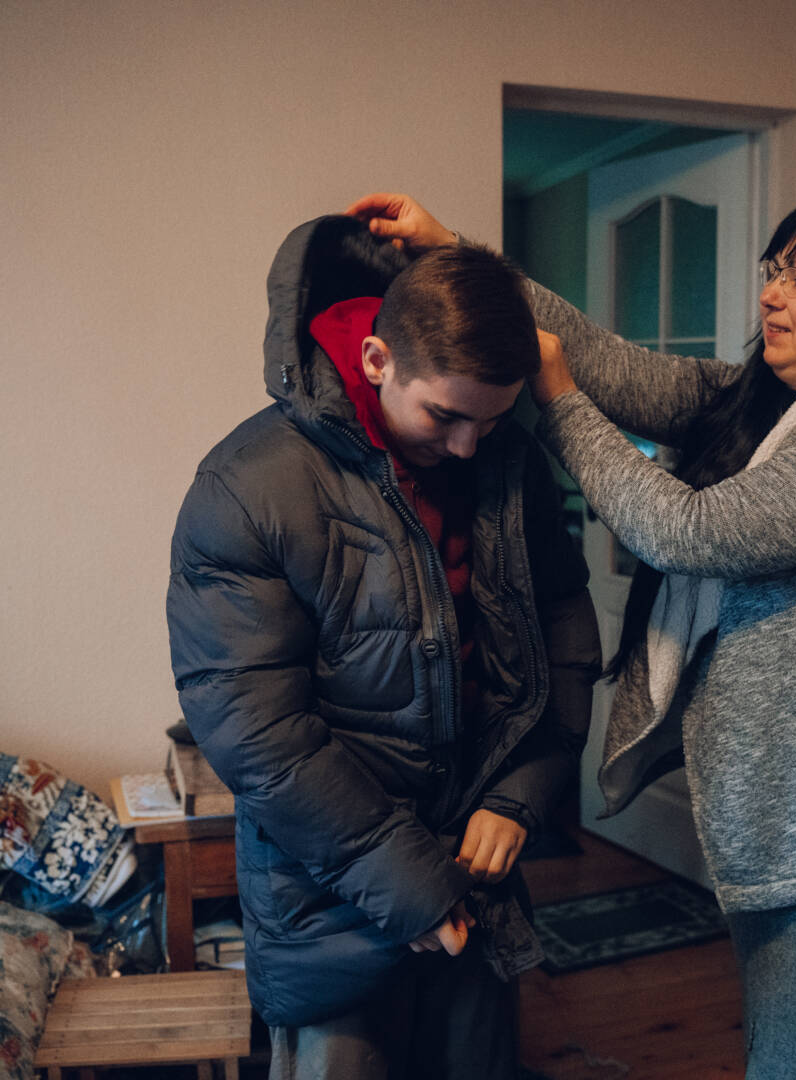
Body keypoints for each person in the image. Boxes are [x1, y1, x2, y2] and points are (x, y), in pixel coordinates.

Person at [348, 191, 796, 1079]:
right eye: (774, 271)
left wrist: (558, 401)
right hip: (786, 814)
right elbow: (609, 363)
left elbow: (688, 532)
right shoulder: (758, 404)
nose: (773, 295)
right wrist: (461, 256)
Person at [165, 214, 601, 1080]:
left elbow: (565, 641)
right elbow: (259, 737)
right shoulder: (246, 487)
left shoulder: (503, 457)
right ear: (376, 361)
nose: (468, 445)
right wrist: (413, 887)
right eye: (445, 416)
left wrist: (522, 795)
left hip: (481, 882)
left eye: (493, 418)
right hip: (331, 907)